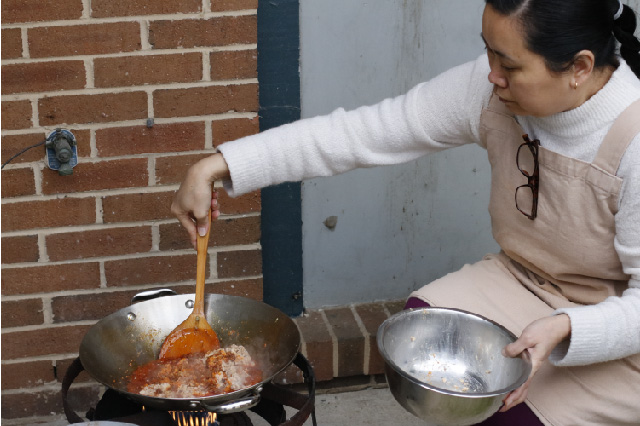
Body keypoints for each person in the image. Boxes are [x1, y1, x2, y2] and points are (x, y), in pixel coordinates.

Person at [172, 0, 640, 424]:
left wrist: (566, 328)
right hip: (524, 281)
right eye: (489, 52)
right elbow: (364, 133)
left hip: (618, 331)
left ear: (579, 66)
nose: (491, 74)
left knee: (510, 418)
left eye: (510, 65)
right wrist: (220, 165)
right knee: (417, 335)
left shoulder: (633, 140)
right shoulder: (491, 87)